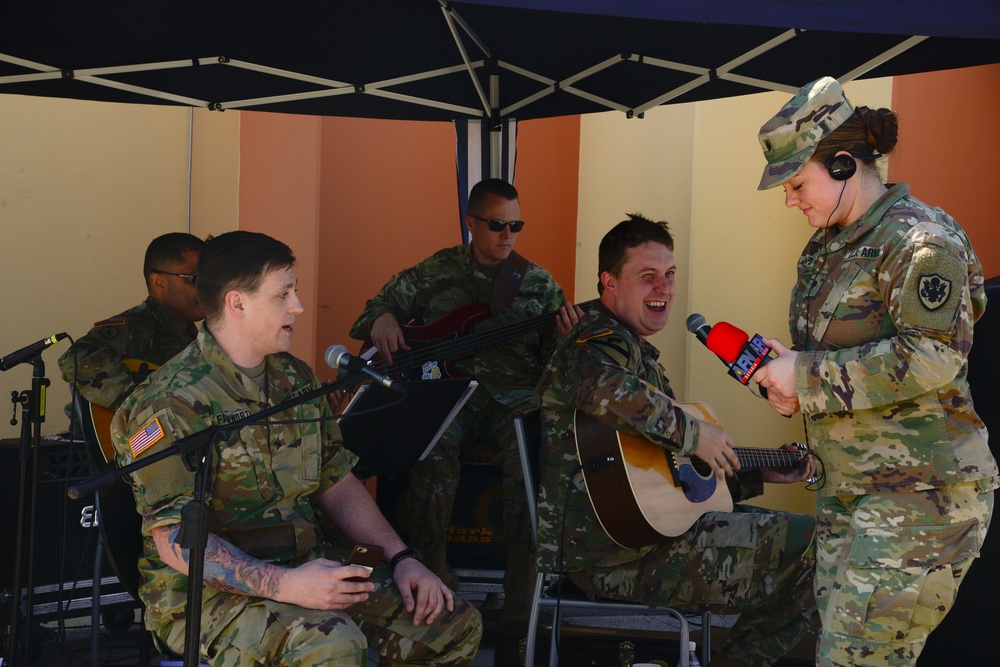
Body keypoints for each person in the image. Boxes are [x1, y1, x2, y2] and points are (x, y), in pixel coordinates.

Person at [111, 231, 482, 666]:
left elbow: (336, 481)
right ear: (237, 303)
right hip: (206, 598)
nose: (298, 307)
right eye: (283, 294)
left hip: (308, 567)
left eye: (295, 292)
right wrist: (286, 585)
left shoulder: (293, 378)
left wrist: (403, 558)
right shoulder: (167, 402)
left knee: (450, 623)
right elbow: (174, 538)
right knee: (331, 643)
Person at [752, 76, 997, 666]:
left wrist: (805, 376)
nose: (791, 199)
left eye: (797, 182)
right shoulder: (827, 245)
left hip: (919, 497)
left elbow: (935, 354)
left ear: (841, 164)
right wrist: (787, 379)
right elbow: (833, 358)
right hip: (852, 492)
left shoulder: (918, 240)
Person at [535, 214, 818, 667]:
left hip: (654, 537)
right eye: (647, 277)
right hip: (616, 556)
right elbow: (605, 388)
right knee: (818, 552)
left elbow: (667, 481)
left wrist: (755, 472)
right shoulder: (594, 344)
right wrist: (693, 433)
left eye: (669, 276)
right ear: (609, 282)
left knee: (826, 546)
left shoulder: (635, 350)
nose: (663, 289)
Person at [349, 178, 579, 619]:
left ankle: (520, 594)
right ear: (471, 223)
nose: (507, 234)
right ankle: (430, 570)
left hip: (511, 398)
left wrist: (571, 340)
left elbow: (557, 362)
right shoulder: (435, 270)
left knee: (528, 465)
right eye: (497, 224)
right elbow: (375, 307)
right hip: (449, 393)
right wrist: (382, 318)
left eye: (516, 224)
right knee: (431, 450)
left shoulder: (538, 283)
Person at [59, 232, 206, 412]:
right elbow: (76, 357)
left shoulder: (197, 336)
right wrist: (138, 403)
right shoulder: (137, 327)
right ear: (159, 283)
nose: (207, 289)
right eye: (195, 279)